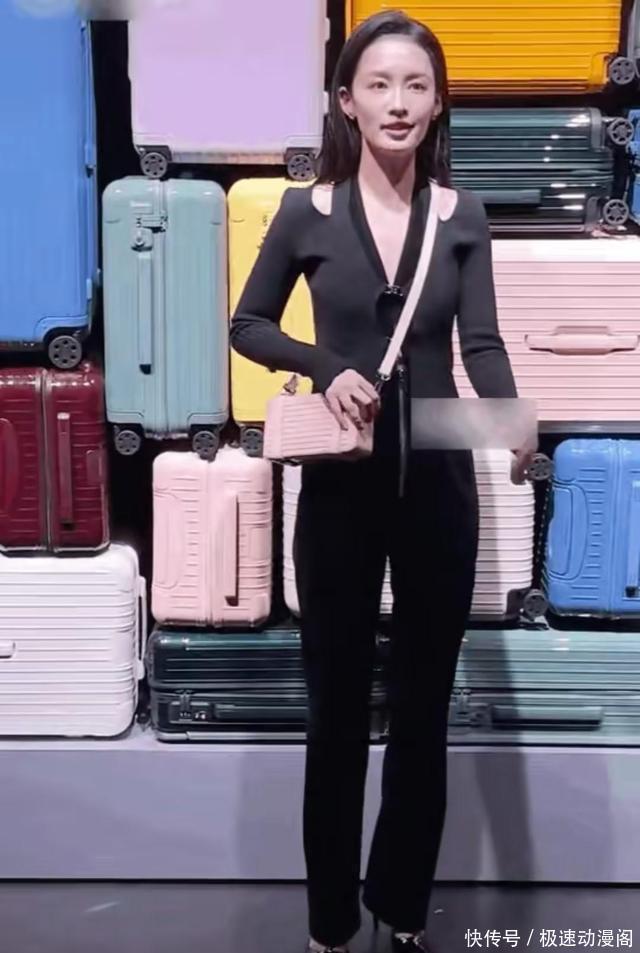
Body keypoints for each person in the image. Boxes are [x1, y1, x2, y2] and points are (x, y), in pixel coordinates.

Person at [230, 11, 533, 953]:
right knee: (333, 712)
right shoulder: (306, 212)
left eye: (415, 86)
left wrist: (513, 415)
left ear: (437, 104)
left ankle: (400, 907)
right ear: (346, 101)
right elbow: (249, 324)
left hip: (440, 480)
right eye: (379, 84)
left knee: (422, 709)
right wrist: (326, 367)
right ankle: (330, 922)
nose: (397, 102)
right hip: (340, 488)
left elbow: (481, 343)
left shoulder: (462, 215)